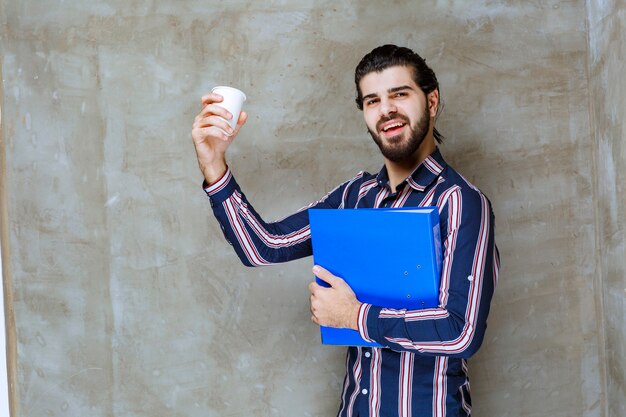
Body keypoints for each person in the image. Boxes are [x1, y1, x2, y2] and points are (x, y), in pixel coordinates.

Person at [191, 44, 500, 417]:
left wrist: (355, 317)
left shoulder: (461, 201)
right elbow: (264, 247)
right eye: (372, 101)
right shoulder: (355, 195)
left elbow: (461, 331)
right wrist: (214, 164)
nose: (386, 110)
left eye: (400, 94)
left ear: (431, 101)